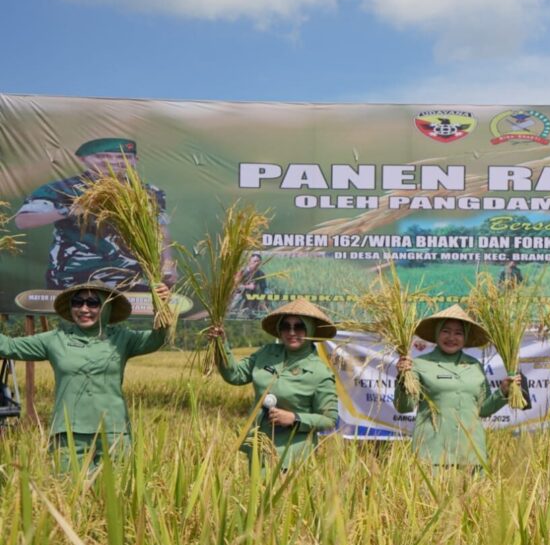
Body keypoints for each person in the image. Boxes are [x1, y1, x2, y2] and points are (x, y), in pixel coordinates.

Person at [0, 280, 172, 468]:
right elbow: (8, 346)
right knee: (68, 492)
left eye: (92, 303)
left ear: (106, 307)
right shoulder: (55, 340)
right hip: (68, 434)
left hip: (113, 433)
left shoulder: (122, 338)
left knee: (116, 493)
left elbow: (157, 338)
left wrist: (161, 305)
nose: (84, 309)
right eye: (77, 302)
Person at [14, 137, 175, 290]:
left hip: (132, 278)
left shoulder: (148, 192)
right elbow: (23, 221)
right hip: (72, 278)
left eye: (122, 156)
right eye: (101, 156)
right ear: (83, 160)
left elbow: (159, 231)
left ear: (134, 160)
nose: (112, 162)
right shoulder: (62, 189)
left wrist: (168, 266)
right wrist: (70, 210)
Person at [208, 298, 339, 470]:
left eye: (299, 326)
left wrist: (294, 418)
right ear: (279, 329)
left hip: (293, 458)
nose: (291, 332)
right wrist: (220, 344)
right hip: (259, 450)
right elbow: (236, 375)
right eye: (286, 326)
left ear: (310, 329)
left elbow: (329, 419)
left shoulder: (320, 373)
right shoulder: (267, 353)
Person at [394, 304, 520, 471]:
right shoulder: (419, 364)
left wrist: (503, 392)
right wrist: (403, 378)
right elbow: (405, 407)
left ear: (466, 337)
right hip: (432, 455)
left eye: (458, 333)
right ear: (437, 333)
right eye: (446, 331)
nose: (452, 337)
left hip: (471, 455)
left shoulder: (475, 366)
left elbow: (482, 410)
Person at [228, 253, 269, 317]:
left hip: (252, 297)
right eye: (254, 261)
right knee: (232, 310)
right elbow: (234, 285)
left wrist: (266, 296)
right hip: (239, 294)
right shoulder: (241, 271)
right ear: (249, 261)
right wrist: (247, 287)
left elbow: (264, 287)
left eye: (258, 262)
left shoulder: (261, 273)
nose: (256, 263)